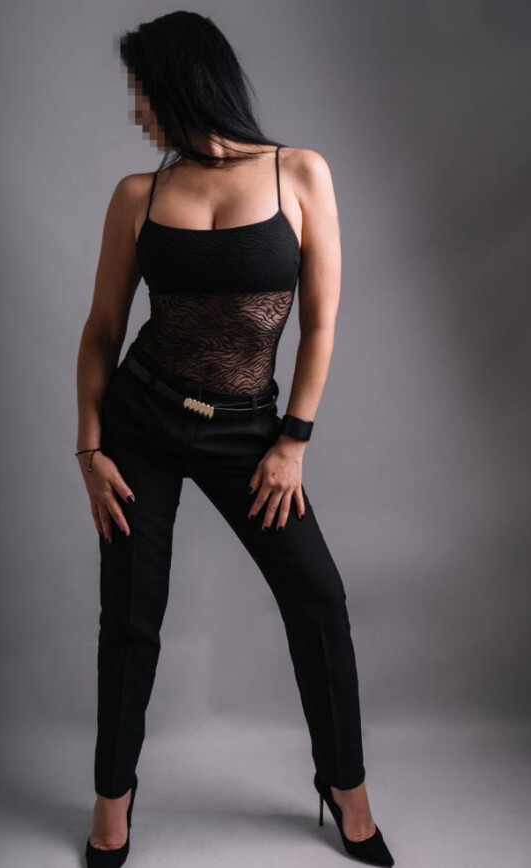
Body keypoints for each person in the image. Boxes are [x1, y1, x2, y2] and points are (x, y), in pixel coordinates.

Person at [77, 11, 394, 868]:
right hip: (140, 424)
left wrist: (293, 441)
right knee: (131, 619)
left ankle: (345, 788)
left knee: (318, 601)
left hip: (251, 433)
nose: (137, 112)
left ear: (183, 85)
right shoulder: (138, 195)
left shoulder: (300, 173)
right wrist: (89, 449)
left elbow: (321, 324)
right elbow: (102, 331)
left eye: (143, 93)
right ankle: (112, 803)